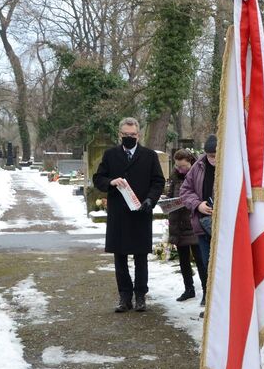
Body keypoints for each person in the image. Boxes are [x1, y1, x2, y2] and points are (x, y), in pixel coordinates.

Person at [92, 117, 165, 313]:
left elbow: (158, 181)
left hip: (141, 212)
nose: (129, 137)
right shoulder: (110, 155)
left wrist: (150, 200)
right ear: (120, 135)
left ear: (138, 135)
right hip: (119, 214)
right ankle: (124, 296)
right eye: (126, 135)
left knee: (141, 256)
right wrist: (111, 182)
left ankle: (140, 296)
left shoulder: (149, 156)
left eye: (133, 135)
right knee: (120, 256)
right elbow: (98, 179)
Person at [180, 134, 218, 310]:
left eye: (217, 155)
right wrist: (198, 205)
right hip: (204, 226)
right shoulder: (199, 166)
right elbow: (185, 190)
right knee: (208, 266)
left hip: (228, 228)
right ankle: (211, 306)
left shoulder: (233, 164)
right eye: (211, 156)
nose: (214, 160)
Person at [167, 149, 206, 302]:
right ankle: (188, 289)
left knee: (200, 260)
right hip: (178, 224)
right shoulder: (175, 176)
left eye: (183, 166)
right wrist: (168, 202)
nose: (180, 169)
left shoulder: (198, 174)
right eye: (177, 166)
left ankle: (206, 291)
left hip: (193, 222)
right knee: (183, 261)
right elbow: (171, 194)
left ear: (190, 162)